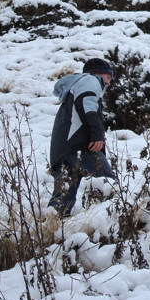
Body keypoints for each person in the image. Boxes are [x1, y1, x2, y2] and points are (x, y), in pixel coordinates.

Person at [47, 58, 116, 217]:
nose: (109, 83)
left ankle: (50, 227)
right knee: (108, 185)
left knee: (62, 200)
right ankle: (113, 224)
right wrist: (97, 135)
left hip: (63, 148)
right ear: (98, 73)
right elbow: (87, 107)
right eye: (108, 77)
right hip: (80, 146)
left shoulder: (77, 85)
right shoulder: (90, 80)